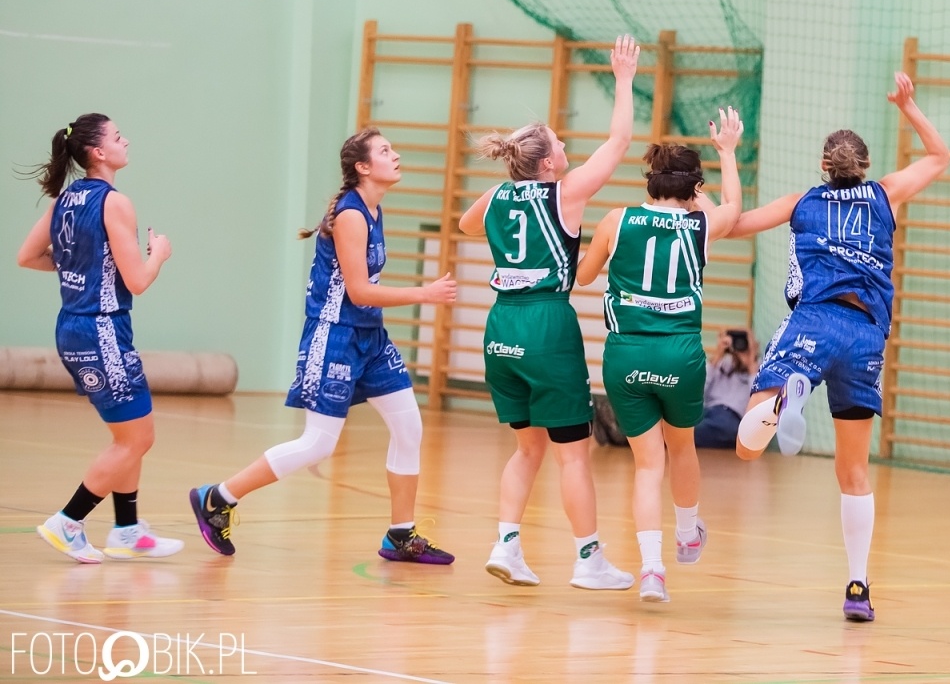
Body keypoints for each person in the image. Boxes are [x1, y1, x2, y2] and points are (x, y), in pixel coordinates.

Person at [728, 73, 949, 622]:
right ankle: (857, 587)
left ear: (823, 167)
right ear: (865, 167)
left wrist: (728, 158)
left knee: (746, 445)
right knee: (854, 473)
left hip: (816, 321)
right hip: (867, 336)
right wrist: (908, 106)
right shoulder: (886, 195)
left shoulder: (802, 200)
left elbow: (734, 225)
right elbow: (941, 157)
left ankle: (789, 395)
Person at [188, 129, 459, 563]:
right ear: (363, 167)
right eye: (386, 151)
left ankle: (400, 535)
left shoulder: (373, 208)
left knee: (409, 429)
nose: (397, 155)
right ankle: (218, 497)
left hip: (370, 338)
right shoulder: (352, 215)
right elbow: (359, 291)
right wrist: (424, 294)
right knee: (318, 444)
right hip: (334, 336)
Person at [457, 35, 639, 591]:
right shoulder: (564, 194)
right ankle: (588, 560)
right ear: (545, 163)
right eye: (560, 145)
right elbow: (620, 141)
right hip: (545, 325)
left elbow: (468, 225)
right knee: (572, 455)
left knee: (526, 447)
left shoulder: (493, 198)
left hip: (499, 328)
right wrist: (625, 78)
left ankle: (506, 544)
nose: (567, 151)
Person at [574, 109, 744, 603]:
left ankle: (651, 571)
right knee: (682, 447)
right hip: (680, 354)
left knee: (647, 465)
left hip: (625, 354)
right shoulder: (701, 225)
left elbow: (584, 277)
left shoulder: (615, 220)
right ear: (693, 189)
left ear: (649, 184)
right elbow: (731, 205)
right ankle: (687, 533)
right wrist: (726, 152)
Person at [16, 114, 183, 563]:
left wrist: (79, 267)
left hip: (73, 326)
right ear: (98, 152)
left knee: (129, 431)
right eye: (117, 136)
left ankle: (127, 529)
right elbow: (138, 280)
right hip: (102, 328)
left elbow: (27, 256)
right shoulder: (115, 202)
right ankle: (68, 521)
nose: (126, 140)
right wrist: (159, 255)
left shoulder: (66, 199)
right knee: (135, 439)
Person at [694, 330, 755, 449]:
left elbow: (757, 400)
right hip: (707, 413)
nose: (740, 344)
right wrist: (718, 355)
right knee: (679, 427)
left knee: (691, 433)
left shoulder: (756, 369)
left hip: (731, 418)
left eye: (744, 340)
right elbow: (698, 391)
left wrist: (751, 362)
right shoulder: (721, 364)